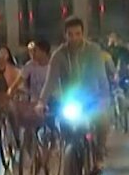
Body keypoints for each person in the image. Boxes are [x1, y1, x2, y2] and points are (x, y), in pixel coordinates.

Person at [38, 16, 113, 164]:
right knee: (64, 126)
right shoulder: (58, 55)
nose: (74, 38)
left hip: (92, 98)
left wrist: (104, 98)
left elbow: (101, 76)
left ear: (83, 33)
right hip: (69, 100)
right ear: (65, 35)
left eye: (77, 34)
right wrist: (41, 102)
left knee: (103, 121)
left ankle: (99, 151)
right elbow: (51, 81)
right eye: (70, 34)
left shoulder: (93, 50)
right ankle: (71, 158)